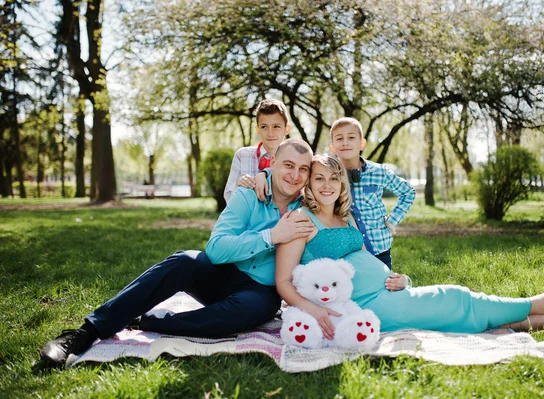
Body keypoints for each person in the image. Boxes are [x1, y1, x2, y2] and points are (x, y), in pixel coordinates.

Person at [39, 139, 315, 368]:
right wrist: (271, 236)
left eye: (303, 169)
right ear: (273, 163)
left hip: (260, 292)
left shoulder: (309, 209)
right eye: (288, 165)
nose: (295, 175)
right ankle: (85, 333)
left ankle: (148, 320)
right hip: (223, 273)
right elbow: (217, 250)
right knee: (185, 260)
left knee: (244, 313)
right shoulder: (248, 195)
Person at [275, 154, 544, 338]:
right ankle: (537, 306)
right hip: (361, 306)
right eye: (319, 179)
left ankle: (537, 320)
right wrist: (314, 311)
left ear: (342, 184)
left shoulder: (346, 216)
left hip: (387, 291)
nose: (326, 185)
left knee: (450, 307)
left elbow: (365, 261)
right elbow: (284, 281)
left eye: (333, 178)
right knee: (455, 298)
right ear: (309, 184)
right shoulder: (302, 218)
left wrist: (402, 279)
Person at [329, 117, 416, 269]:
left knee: (385, 289)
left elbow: (408, 192)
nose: (345, 142)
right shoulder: (329, 177)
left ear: (362, 143)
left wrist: (392, 220)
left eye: (351, 137)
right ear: (332, 147)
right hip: (348, 252)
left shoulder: (379, 172)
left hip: (379, 248)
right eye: (339, 138)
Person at [223, 99, 291, 202]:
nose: (270, 133)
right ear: (257, 129)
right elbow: (228, 197)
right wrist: (238, 184)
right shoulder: (242, 155)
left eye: (276, 126)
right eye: (264, 127)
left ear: (286, 129)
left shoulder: (294, 160)